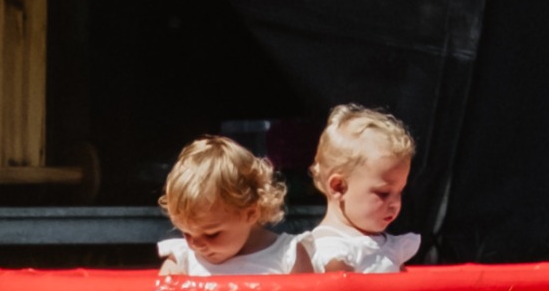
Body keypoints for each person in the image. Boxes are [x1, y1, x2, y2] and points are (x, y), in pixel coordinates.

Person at [293, 104, 422, 273]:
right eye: (384, 193)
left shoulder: (389, 245)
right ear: (338, 187)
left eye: (400, 192)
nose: (396, 204)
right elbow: (343, 290)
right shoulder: (332, 251)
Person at [155, 134, 302, 276]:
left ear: (250, 213)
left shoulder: (287, 255)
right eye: (187, 233)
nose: (196, 245)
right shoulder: (183, 260)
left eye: (211, 234)